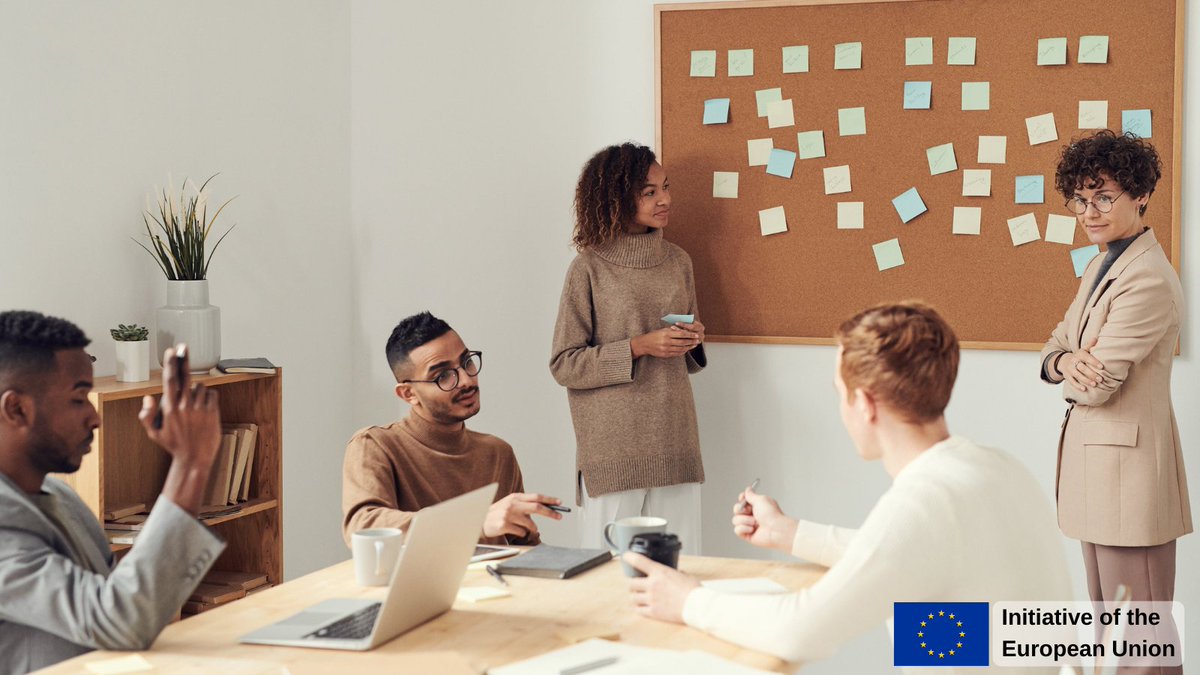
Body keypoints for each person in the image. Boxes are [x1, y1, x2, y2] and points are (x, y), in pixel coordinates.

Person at [624, 302, 1072, 667]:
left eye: (840, 394)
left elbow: (799, 631)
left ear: (865, 404)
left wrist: (689, 600)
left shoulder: (926, 500)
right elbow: (899, 553)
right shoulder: (994, 467)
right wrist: (790, 533)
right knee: (912, 630)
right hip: (1028, 656)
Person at [0, 310, 226, 674]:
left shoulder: (60, 496)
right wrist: (191, 463)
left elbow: (126, 609)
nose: (95, 418)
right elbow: (120, 619)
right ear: (16, 408)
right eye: (79, 398)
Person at [1039, 131, 1191, 615]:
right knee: (1110, 631)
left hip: (1130, 480)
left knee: (1141, 638)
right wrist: (1066, 361)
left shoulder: (1147, 278)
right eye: (1081, 200)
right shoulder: (1100, 266)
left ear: (1140, 194)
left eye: (1104, 197)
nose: (1090, 213)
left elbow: (1098, 386)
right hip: (1099, 475)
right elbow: (1055, 345)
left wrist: (1070, 367)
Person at [550, 142, 706, 553]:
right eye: (649, 192)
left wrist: (691, 340)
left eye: (665, 187)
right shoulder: (588, 268)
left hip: (675, 440)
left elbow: (687, 361)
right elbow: (565, 364)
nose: (664, 199)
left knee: (682, 567)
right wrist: (638, 346)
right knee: (607, 572)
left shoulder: (678, 261)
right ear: (616, 198)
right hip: (613, 452)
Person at [342, 311, 562, 546]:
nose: (466, 380)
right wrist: (474, 522)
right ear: (408, 394)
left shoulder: (498, 452)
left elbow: (527, 550)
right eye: (443, 375)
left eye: (467, 362)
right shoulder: (374, 445)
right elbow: (363, 527)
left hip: (495, 573)